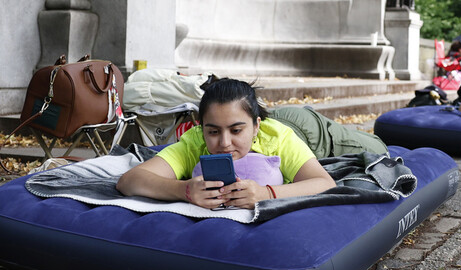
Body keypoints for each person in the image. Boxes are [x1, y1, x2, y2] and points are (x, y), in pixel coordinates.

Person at [116, 78, 335, 209]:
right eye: (213, 131)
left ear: (256, 126)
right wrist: (184, 190)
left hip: (312, 129)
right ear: (202, 128)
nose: (225, 143)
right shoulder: (194, 141)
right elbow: (129, 181)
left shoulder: (279, 137)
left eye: (236, 130)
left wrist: (266, 194)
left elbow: (325, 183)